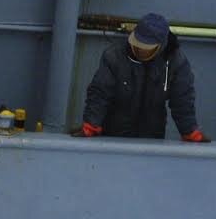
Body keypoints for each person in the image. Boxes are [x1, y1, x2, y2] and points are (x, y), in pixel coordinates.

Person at [74, 12, 208, 142]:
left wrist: (189, 131)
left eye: (146, 47)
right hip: (113, 135)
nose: (140, 50)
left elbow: (182, 99)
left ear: (161, 46)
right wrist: (91, 124)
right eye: (137, 44)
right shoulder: (114, 56)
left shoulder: (176, 63)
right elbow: (100, 93)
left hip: (152, 137)